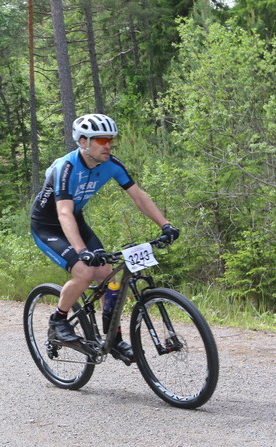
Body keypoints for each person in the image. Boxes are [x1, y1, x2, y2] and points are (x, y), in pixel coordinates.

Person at [29, 113, 180, 364]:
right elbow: (63, 211)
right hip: (48, 226)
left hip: (76, 221)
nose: (107, 145)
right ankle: (58, 320)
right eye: (100, 140)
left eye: (110, 139)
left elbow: (138, 196)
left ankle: (114, 337)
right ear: (83, 142)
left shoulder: (111, 164)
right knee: (85, 273)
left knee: (109, 276)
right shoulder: (65, 168)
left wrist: (165, 224)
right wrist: (81, 250)